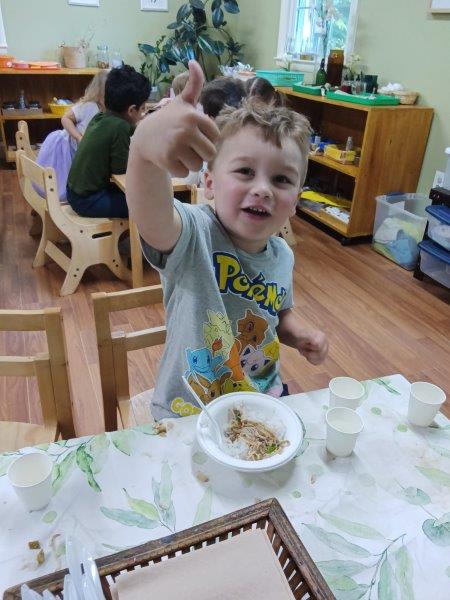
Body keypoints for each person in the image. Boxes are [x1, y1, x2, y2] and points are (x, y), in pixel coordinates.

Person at [126, 60, 328, 420]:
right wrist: (144, 150)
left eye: (282, 179)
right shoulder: (194, 234)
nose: (263, 189)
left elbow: (277, 314)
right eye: (245, 171)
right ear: (209, 183)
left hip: (261, 400)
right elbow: (153, 217)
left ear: (296, 200)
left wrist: (300, 334)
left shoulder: (282, 255)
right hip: (190, 409)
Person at [66, 65, 149, 218]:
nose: (144, 113)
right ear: (131, 110)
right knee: (146, 204)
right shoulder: (120, 128)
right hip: (88, 200)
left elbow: (126, 128)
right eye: (143, 109)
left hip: (74, 192)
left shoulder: (101, 117)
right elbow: (120, 171)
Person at [36, 70, 108, 201]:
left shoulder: (106, 111)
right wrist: (78, 137)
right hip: (66, 147)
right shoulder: (88, 106)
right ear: (99, 92)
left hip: (81, 152)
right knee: (62, 179)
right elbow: (65, 118)